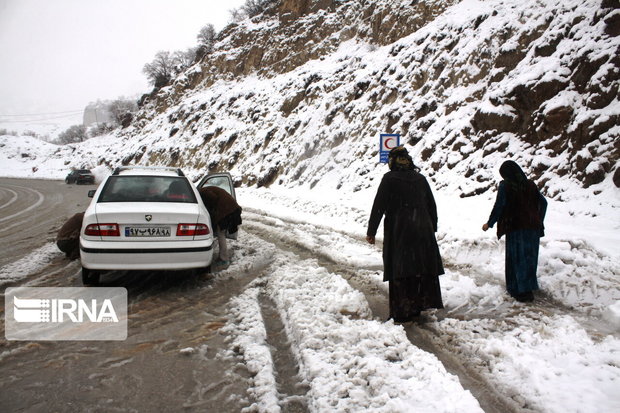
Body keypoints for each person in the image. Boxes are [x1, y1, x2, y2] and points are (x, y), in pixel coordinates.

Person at [366, 146, 444, 322]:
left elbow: (378, 206)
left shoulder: (389, 179)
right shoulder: (420, 178)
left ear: (392, 162)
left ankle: (402, 310)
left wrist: (371, 231)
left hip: (400, 230)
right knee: (419, 268)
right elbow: (431, 205)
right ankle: (418, 305)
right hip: (422, 230)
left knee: (401, 269)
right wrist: (431, 227)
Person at [482, 160, 547, 302]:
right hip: (533, 228)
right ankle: (528, 288)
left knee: (516, 260)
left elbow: (499, 205)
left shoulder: (506, 186)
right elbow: (544, 203)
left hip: (516, 227)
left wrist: (490, 223)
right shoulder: (530, 184)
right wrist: (538, 219)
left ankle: (519, 290)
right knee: (529, 259)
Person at [198, 186, 242, 268]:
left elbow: (212, 198)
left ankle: (224, 259)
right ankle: (223, 256)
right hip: (231, 208)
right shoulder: (203, 190)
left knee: (220, 233)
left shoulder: (201, 192)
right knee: (221, 232)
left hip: (227, 210)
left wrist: (211, 212)